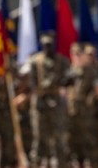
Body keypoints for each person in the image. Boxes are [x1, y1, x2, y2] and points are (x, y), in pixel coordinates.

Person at [25, 33, 70, 167]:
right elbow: (32, 83)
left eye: (50, 45)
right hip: (40, 102)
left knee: (59, 138)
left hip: (56, 102)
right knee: (39, 138)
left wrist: (60, 83)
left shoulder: (62, 61)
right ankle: (37, 163)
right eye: (45, 45)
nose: (47, 48)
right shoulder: (35, 61)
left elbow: (68, 78)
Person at [65, 43, 98, 168]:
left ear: (83, 55)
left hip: (87, 113)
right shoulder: (68, 71)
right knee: (71, 142)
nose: (76, 57)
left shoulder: (91, 71)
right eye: (73, 54)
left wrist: (90, 100)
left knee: (89, 142)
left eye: (78, 54)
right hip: (71, 112)